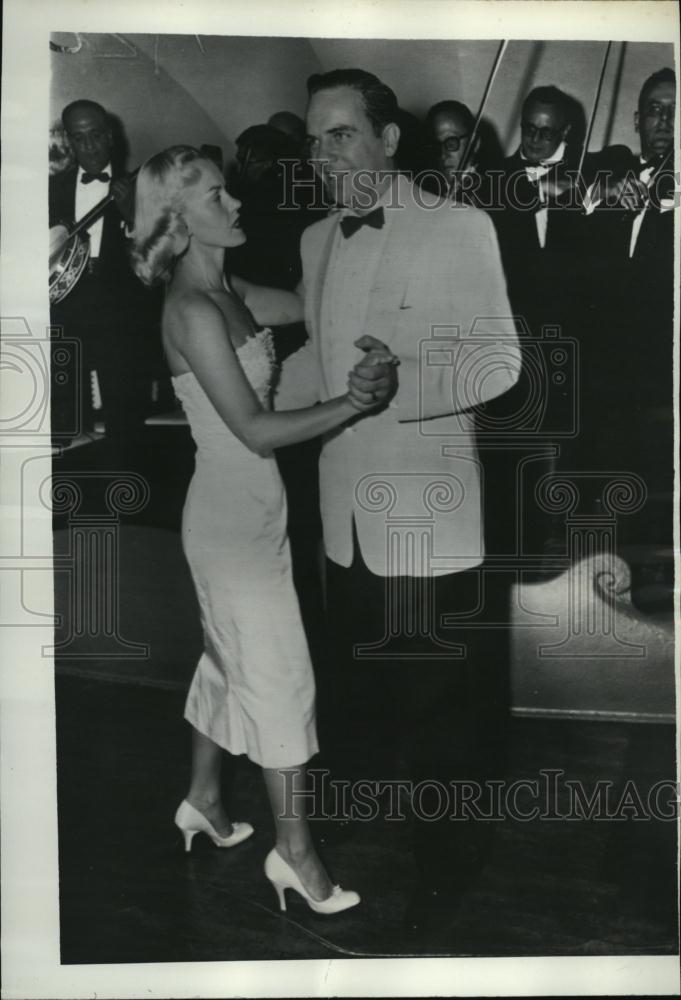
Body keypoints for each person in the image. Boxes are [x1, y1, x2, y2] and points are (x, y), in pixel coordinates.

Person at [276, 69, 521, 935]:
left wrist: (393, 386)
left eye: (339, 134)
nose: (321, 153)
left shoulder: (459, 225)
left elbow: (498, 363)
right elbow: (319, 360)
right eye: (313, 138)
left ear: (387, 140)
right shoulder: (315, 239)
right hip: (343, 519)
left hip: (425, 514)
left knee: (440, 713)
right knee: (377, 698)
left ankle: (447, 877)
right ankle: (413, 839)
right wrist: (245, 394)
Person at [129, 145, 394, 914]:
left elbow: (312, 304)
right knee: (279, 679)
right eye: (218, 194)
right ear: (180, 221)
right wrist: (353, 402)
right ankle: (296, 854)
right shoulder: (189, 309)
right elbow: (251, 428)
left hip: (256, 514)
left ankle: (205, 801)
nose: (236, 203)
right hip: (228, 521)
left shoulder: (231, 289)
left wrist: (361, 242)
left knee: (226, 658)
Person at [579, 67, 675, 549]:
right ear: (637, 118)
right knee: (606, 474)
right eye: (656, 110)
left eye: (677, 112)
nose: (666, 121)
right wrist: (606, 197)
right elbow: (566, 207)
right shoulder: (613, 170)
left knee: (655, 486)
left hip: (664, 368)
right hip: (609, 363)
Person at [49, 99, 158, 446]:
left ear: (110, 136)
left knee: (124, 420)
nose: (90, 145)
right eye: (80, 138)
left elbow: (159, 258)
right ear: (69, 141)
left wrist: (130, 216)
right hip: (65, 309)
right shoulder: (50, 189)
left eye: (96, 135)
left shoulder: (144, 188)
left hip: (120, 312)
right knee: (62, 421)